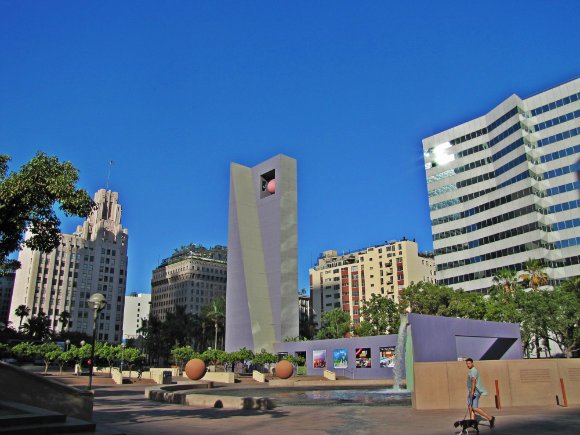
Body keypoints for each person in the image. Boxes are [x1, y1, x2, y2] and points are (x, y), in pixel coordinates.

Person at [465, 358, 495, 429]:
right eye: (467, 364)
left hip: (474, 391)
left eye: (469, 363)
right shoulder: (471, 370)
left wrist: (472, 392)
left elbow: (473, 381)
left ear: (472, 363)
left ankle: (490, 418)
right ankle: (472, 422)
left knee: (474, 408)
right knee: (470, 407)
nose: (468, 365)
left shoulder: (473, 371)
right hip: (471, 391)